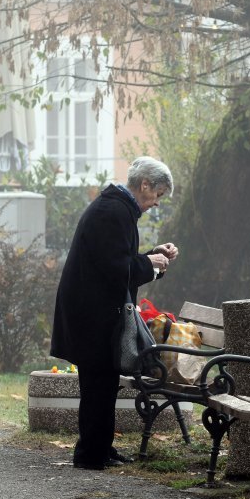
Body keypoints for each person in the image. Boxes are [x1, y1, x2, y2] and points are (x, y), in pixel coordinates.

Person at [50, 156, 178, 470]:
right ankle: (90, 456)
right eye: (157, 194)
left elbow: (119, 262)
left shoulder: (116, 208)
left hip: (93, 313)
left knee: (103, 385)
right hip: (92, 316)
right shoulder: (113, 211)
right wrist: (150, 264)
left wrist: (153, 259)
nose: (156, 203)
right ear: (144, 185)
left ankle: (100, 449)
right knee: (97, 385)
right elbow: (116, 269)